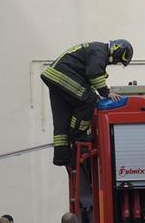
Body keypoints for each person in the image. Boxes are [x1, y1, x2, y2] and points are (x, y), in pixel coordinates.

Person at [40, 39, 132, 167]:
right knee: (90, 100)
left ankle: (62, 156)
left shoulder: (95, 50)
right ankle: (78, 135)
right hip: (62, 76)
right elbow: (94, 73)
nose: (115, 63)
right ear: (117, 50)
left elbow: (87, 77)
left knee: (62, 118)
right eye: (118, 60)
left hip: (54, 77)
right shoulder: (100, 51)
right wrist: (106, 93)